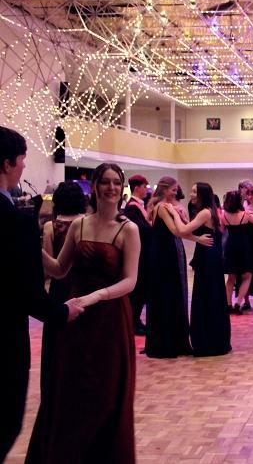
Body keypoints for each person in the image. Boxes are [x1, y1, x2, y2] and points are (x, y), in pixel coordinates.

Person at [30, 163, 139, 462]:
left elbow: (130, 280)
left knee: (106, 394)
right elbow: (59, 269)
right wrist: (30, 246)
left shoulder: (128, 229)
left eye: (116, 182)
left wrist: (98, 295)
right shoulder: (79, 226)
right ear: (94, 186)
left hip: (110, 321)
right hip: (77, 320)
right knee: (72, 391)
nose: (111, 188)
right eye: (105, 182)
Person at [0, 126, 81, 461]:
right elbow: (29, 292)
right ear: (7, 164)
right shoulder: (16, 222)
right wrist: (63, 312)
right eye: (22, 159)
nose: (23, 166)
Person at [144, 176, 211, 358]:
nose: (176, 193)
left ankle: (174, 339)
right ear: (165, 189)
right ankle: (167, 342)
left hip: (169, 250)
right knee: (168, 293)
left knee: (173, 292)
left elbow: (182, 229)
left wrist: (181, 217)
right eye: (173, 190)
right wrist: (198, 239)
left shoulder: (167, 207)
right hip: (164, 254)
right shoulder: (162, 207)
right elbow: (176, 231)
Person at [167, 183, 231, 357]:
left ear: (202, 194)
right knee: (211, 296)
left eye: (194, 191)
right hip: (210, 256)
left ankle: (208, 341)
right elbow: (190, 230)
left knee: (207, 296)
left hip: (208, 257)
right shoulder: (209, 211)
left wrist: (174, 213)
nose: (191, 194)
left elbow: (182, 231)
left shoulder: (205, 212)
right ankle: (214, 339)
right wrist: (194, 234)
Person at [40, 182, 86, 392]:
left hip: (60, 288)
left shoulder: (51, 227)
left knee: (56, 342)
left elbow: (50, 269)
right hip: (84, 287)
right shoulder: (87, 223)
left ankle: (55, 389)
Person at [221, 190, 253, 314]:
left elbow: (221, 230)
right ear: (239, 201)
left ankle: (228, 305)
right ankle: (238, 303)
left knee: (231, 278)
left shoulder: (224, 215)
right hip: (244, 247)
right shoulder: (246, 214)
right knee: (247, 276)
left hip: (230, 246)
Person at [123, 174, 151, 336]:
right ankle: (133, 322)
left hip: (143, 252)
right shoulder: (132, 207)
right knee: (138, 290)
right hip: (139, 254)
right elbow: (141, 230)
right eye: (144, 186)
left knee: (142, 289)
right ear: (136, 188)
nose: (147, 189)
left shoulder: (139, 205)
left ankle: (136, 320)